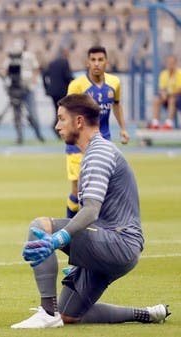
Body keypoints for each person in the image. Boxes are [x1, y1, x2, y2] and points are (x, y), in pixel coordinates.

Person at [11, 93, 170, 329]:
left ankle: (46, 313)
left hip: (117, 242)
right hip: (119, 245)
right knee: (69, 314)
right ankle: (146, 314)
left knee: (39, 227)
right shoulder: (96, 151)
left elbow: (91, 211)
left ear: (79, 122)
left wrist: (59, 238)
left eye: (61, 119)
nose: (57, 126)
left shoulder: (98, 153)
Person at [64, 45, 129, 218]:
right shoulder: (77, 85)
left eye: (100, 60)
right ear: (87, 62)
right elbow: (67, 112)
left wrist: (123, 129)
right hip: (78, 146)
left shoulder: (114, 83)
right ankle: (68, 233)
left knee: (102, 190)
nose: (96, 64)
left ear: (106, 62)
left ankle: (100, 231)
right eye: (93, 60)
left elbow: (116, 104)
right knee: (78, 192)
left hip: (102, 143)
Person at [0, 38, 44, 144]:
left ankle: (39, 135)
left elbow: (36, 69)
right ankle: (20, 137)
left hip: (28, 88)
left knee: (32, 113)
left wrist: (33, 81)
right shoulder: (11, 58)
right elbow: (4, 70)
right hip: (16, 89)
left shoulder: (29, 56)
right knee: (17, 114)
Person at [43, 47, 74, 138]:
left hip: (53, 92)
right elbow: (67, 76)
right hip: (62, 92)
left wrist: (47, 88)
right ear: (65, 53)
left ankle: (58, 129)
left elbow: (44, 75)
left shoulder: (52, 63)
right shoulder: (65, 62)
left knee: (58, 111)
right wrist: (75, 83)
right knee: (64, 111)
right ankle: (57, 127)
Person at [148, 54, 181, 130]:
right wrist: (163, 94)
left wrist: (169, 94)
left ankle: (169, 123)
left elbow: (179, 89)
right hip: (167, 96)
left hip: (178, 98)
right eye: (168, 63)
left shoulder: (180, 74)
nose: (170, 65)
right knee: (156, 99)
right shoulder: (163, 74)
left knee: (172, 99)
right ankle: (155, 123)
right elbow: (162, 88)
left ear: (175, 63)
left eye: (172, 63)